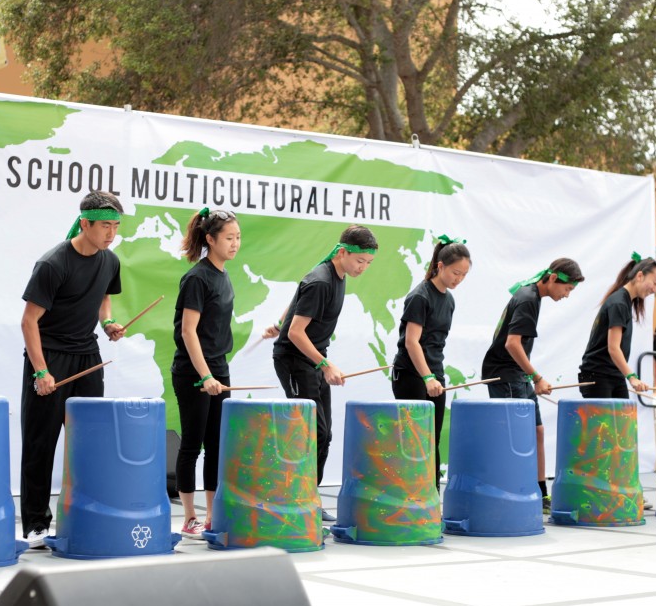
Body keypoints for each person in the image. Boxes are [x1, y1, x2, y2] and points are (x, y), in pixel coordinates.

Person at [19, 192, 126, 548]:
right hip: (50, 358)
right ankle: (36, 523)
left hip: (87, 357)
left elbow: (104, 299)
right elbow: (28, 322)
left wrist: (107, 323)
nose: (111, 233)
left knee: (88, 443)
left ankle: (84, 514)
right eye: (105, 226)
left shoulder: (110, 261)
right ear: (85, 224)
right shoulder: (53, 263)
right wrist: (40, 372)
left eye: (115, 226)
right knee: (41, 442)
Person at [266, 225, 378, 521]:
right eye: (359, 262)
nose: (363, 268)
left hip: (313, 358)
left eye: (369, 264)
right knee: (307, 432)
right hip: (294, 358)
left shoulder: (337, 275)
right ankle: (294, 500)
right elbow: (296, 332)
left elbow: (295, 303)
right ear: (343, 252)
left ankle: (309, 498)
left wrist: (278, 322)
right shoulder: (321, 281)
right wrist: (325, 365)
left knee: (323, 433)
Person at [483, 258, 585, 512]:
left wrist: (531, 377)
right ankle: (515, 492)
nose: (567, 295)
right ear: (553, 279)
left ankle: (540, 493)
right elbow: (512, 344)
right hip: (504, 373)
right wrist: (537, 377)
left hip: (517, 373)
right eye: (567, 289)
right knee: (518, 436)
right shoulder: (528, 298)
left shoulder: (533, 295)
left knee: (537, 431)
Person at [172, 208, 239, 538]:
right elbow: (188, 332)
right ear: (210, 239)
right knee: (193, 444)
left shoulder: (223, 275)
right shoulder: (197, 277)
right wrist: (205, 375)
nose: (235, 243)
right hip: (193, 372)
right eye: (229, 238)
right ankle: (188, 518)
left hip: (218, 368)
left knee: (216, 444)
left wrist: (217, 373)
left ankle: (212, 515)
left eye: (238, 238)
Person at [391, 236, 471, 490]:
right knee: (413, 440)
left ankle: (430, 497)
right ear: (440, 266)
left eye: (464, 275)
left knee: (432, 440)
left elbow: (436, 343)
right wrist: (427, 377)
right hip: (412, 375)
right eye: (455, 272)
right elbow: (412, 342)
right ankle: (408, 495)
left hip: (434, 374)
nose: (458, 279)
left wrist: (434, 376)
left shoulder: (449, 299)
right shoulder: (420, 296)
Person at [578, 255, 656, 399]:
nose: (655, 290)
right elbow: (613, 348)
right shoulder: (619, 302)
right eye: (655, 283)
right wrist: (632, 377)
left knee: (624, 421)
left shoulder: (625, 301)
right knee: (605, 422)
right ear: (640, 275)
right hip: (598, 375)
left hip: (612, 373)